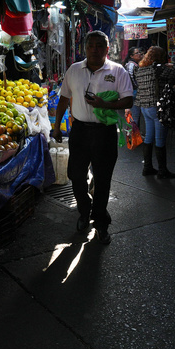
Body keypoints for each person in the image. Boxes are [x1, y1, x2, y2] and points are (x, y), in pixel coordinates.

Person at [53, 31, 133, 245]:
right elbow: (63, 99)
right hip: (79, 131)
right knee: (75, 175)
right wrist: (56, 127)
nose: (95, 50)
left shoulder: (117, 71)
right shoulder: (74, 70)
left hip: (105, 133)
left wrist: (104, 104)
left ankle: (100, 223)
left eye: (100, 46)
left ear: (107, 49)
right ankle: (84, 210)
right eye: (91, 46)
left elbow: (128, 101)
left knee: (103, 179)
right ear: (85, 48)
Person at [135, 46, 175, 178]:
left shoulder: (140, 69)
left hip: (144, 106)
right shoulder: (160, 68)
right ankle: (162, 170)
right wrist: (171, 65)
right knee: (160, 138)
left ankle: (147, 167)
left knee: (149, 136)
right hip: (157, 107)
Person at [124, 47, 145, 141]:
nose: (140, 54)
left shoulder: (134, 64)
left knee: (135, 115)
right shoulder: (131, 65)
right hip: (134, 92)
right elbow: (132, 80)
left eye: (140, 52)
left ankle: (135, 135)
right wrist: (138, 86)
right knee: (135, 115)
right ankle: (133, 137)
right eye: (137, 53)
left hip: (134, 91)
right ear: (131, 55)